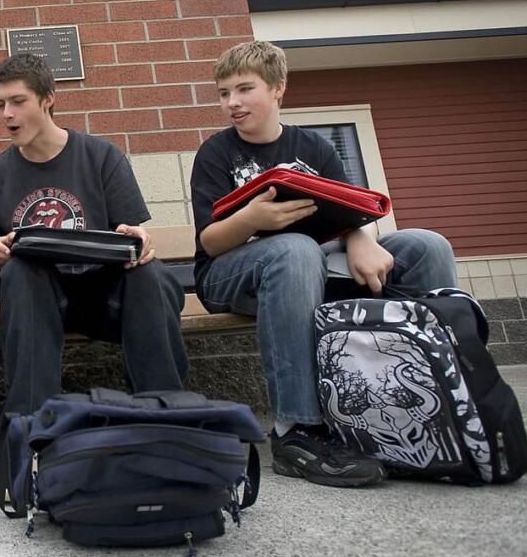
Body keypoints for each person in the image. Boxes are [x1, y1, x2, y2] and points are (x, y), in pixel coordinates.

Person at [190, 40, 457, 487]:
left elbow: (351, 210)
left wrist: (360, 237)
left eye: (243, 89)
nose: (231, 103)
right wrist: (252, 217)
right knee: (295, 248)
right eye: (223, 93)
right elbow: (210, 242)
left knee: (426, 245)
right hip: (232, 276)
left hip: (314, 270)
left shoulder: (313, 147)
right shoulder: (216, 153)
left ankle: (442, 403)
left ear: (278, 88)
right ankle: (297, 432)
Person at [0, 53, 190, 418]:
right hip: (37, 305)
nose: (6, 113)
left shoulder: (100, 155)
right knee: (19, 273)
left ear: (48, 98)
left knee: (150, 274)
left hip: (106, 301)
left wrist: (140, 239)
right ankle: (32, 437)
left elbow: (133, 236)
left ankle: (165, 421)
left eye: (18, 101)